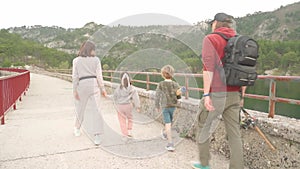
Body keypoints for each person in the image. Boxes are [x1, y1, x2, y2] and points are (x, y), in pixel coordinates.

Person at [191, 13, 246, 169]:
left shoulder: (211, 39)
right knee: (234, 134)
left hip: (216, 94)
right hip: (235, 94)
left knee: (203, 126)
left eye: (212, 23)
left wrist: (206, 94)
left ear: (216, 23)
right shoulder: (240, 40)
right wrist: (242, 95)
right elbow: (245, 70)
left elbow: (208, 68)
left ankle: (204, 163)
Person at [72, 40, 107, 145]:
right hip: (93, 84)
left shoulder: (76, 60)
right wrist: (103, 89)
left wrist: (74, 90)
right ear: (91, 50)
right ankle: (97, 136)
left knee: (80, 108)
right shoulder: (96, 60)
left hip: (82, 84)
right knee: (96, 110)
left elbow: (75, 77)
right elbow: (99, 76)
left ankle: (77, 129)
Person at [155, 65, 182, 151]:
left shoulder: (161, 84)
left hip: (165, 106)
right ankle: (165, 133)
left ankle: (170, 143)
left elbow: (157, 96)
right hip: (173, 106)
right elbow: (179, 96)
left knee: (168, 123)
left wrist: (157, 106)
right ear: (172, 74)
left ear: (163, 74)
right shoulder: (176, 84)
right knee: (169, 122)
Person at [113, 72, 141, 141]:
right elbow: (136, 98)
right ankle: (129, 131)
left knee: (122, 121)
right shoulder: (132, 88)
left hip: (120, 106)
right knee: (130, 118)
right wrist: (138, 106)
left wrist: (114, 103)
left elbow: (114, 97)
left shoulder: (118, 88)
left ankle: (125, 135)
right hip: (128, 105)